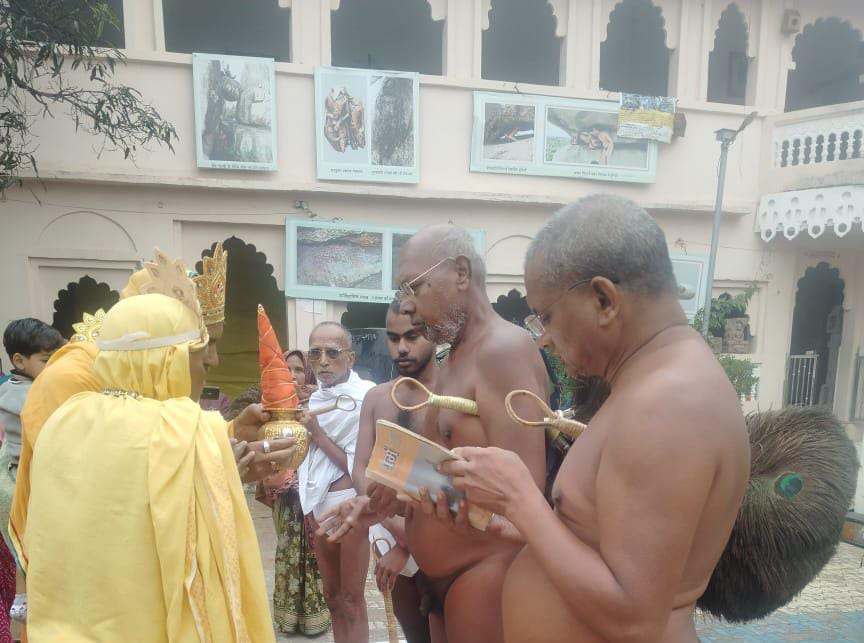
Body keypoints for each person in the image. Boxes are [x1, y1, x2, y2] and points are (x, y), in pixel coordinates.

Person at [442, 195, 750, 642]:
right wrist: (517, 523)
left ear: (603, 300)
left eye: (546, 316)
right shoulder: (651, 384)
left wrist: (522, 500)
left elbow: (634, 620)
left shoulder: (669, 403)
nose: (544, 338)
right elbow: (599, 547)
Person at [22, 285, 288, 641]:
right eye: (199, 349)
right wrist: (220, 476)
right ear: (165, 360)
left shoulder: (66, 417)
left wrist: (223, 449)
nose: (211, 361)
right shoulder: (181, 429)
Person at [324, 225, 548, 642]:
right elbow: (446, 467)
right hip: (441, 576)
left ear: (461, 273)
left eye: (414, 286)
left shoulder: (502, 350)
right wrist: (385, 502)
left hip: (482, 575)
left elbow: (522, 498)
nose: (408, 304)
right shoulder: (456, 357)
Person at [352, 298, 438, 643]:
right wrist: (395, 528)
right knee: (414, 632)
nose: (401, 347)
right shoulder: (376, 398)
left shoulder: (451, 395)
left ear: (433, 335)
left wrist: (411, 544)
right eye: (393, 338)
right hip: (389, 532)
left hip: (441, 537)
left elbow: (447, 481)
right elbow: (361, 469)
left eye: (412, 337)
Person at [296, 322, 375, 643]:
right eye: (315, 353)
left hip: (348, 502)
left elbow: (358, 468)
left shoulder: (366, 397)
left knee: (351, 599)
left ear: (351, 358)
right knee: (331, 595)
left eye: (332, 352)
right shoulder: (314, 401)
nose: (323, 361)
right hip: (317, 502)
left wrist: (317, 434)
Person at [252, 349, 330, 638]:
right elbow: (263, 454)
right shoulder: (270, 409)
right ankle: (288, 618)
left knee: (315, 553)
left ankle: (315, 618)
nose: (293, 376)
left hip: (314, 492)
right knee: (288, 551)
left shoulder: (319, 405)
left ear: (307, 372)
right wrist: (283, 477)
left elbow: (328, 448)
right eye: (287, 370)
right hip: (285, 495)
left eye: (298, 369)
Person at [0, 319, 64, 642]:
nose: (53, 368)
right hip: (20, 476)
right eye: (46, 360)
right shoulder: (23, 393)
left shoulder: (18, 387)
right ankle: (23, 603)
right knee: (26, 544)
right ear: (19, 360)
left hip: (22, 472)